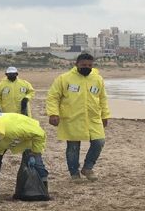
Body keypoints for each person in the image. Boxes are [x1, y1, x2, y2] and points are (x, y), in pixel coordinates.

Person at [46, 53, 110, 181]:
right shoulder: (64, 79)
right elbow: (53, 96)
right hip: (72, 118)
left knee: (99, 142)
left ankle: (88, 168)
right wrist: (53, 113)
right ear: (76, 64)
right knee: (73, 146)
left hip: (93, 118)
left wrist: (105, 115)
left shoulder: (97, 79)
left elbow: (103, 98)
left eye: (89, 65)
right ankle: (74, 173)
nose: (87, 67)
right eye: (84, 65)